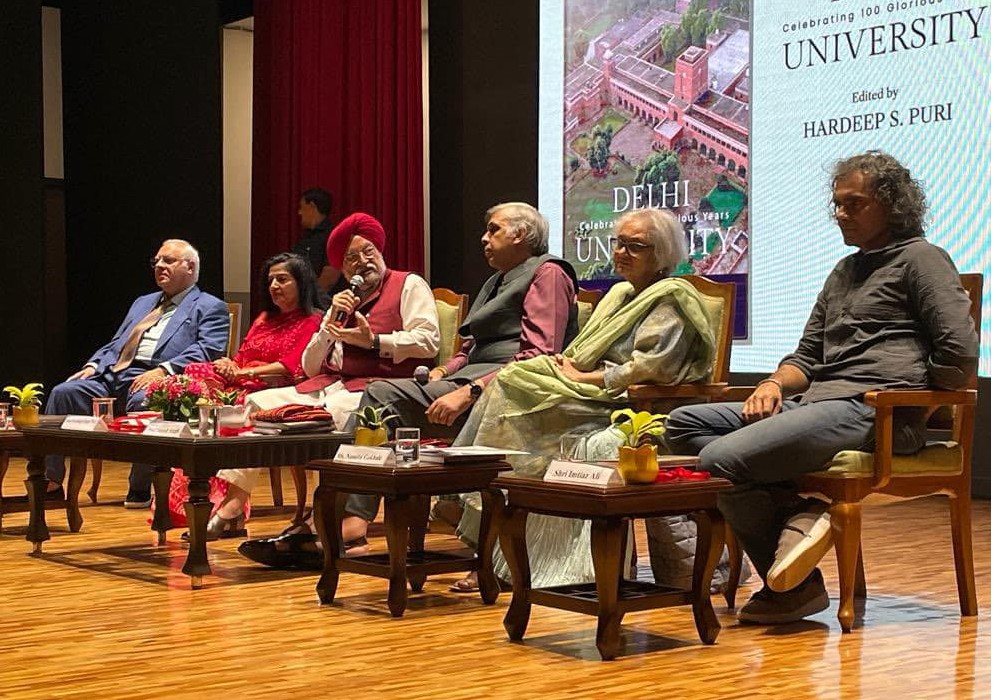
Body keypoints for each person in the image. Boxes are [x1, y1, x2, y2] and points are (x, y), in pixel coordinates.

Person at [666, 151, 979, 625]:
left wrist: (911, 401)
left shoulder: (922, 259)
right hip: (819, 402)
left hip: (872, 411)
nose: (840, 214)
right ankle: (802, 514)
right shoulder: (842, 271)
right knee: (684, 425)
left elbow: (959, 353)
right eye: (836, 204)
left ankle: (794, 589)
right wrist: (773, 383)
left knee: (719, 461)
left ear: (892, 205)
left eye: (854, 204)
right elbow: (807, 357)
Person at [451, 207, 718, 589]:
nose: (622, 253)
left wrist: (585, 376)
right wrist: (569, 366)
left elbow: (650, 368)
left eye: (635, 246)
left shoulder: (671, 299)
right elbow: (583, 351)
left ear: (660, 253)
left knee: (516, 398)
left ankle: (499, 534)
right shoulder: (621, 294)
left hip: (632, 407)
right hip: (594, 393)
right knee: (513, 377)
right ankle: (492, 531)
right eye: (619, 244)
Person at [339, 201, 580, 558]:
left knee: (380, 396)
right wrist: (443, 371)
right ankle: (340, 510)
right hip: (469, 376)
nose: (484, 239)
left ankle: (355, 518)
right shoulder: (498, 280)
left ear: (522, 234)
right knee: (368, 408)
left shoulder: (548, 273)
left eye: (494, 230)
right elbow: (471, 347)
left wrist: (469, 391)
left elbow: (539, 355)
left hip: (507, 385)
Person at [235, 212, 441, 566]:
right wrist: (330, 324)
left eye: (367, 251)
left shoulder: (408, 285)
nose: (362, 261)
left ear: (380, 251)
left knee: (337, 415)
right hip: (328, 384)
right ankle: (233, 505)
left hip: (378, 387)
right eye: (351, 258)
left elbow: (428, 341)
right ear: (344, 271)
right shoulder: (343, 301)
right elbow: (311, 365)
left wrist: (375, 341)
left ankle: (328, 522)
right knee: (253, 403)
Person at [44, 239, 230, 507]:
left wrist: (163, 370)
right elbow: (117, 342)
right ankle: (51, 483)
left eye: (168, 261)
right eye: (156, 261)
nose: (159, 266)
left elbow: (208, 349)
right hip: (114, 373)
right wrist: (92, 365)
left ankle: (140, 487)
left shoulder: (210, 306)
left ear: (190, 267)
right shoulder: (143, 302)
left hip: (155, 375)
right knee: (64, 393)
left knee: (145, 402)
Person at [163, 252, 324, 538]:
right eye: (271, 280)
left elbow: (293, 366)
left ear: (301, 283)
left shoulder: (313, 321)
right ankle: (185, 494)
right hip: (243, 381)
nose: (274, 285)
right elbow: (242, 355)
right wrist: (230, 365)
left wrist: (245, 374)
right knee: (194, 378)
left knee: (239, 407)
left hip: (276, 388)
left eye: (282, 279)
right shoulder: (264, 318)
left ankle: (229, 507)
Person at [292, 187, 338, 295]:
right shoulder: (304, 238)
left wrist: (307, 300)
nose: (299, 212)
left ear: (312, 206)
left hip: (322, 305)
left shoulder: (333, 236)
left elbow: (329, 278)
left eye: (302, 207)